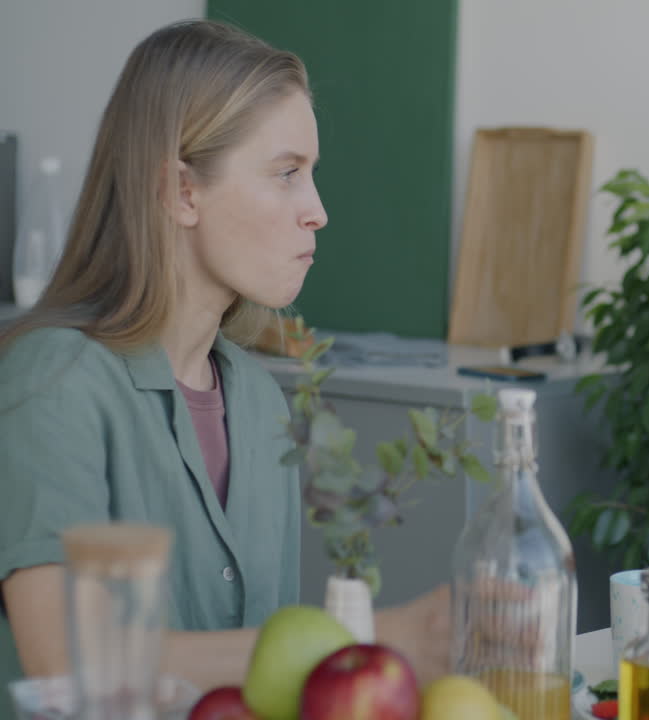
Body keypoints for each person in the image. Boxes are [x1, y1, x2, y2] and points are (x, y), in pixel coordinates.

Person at [0, 20, 450, 707]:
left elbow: (267, 680)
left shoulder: (261, 404)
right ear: (181, 192)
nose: (318, 211)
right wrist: (377, 639)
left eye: (312, 175)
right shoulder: (54, 384)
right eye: (286, 173)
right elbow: (66, 657)